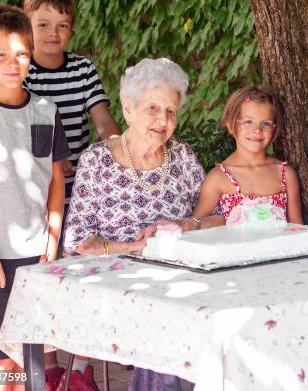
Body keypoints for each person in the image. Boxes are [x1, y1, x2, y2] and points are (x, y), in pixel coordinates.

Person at [62, 58, 208, 391]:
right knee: (167, 318)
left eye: (170, 111)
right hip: (115, 287)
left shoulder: (182, 158)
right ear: (127, 109)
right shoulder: (97, 160)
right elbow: (77, 241)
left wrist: (188, 223)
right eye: (153, 108)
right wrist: (138, 248)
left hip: (178, 281)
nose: (163, 119)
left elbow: (218, 215)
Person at [0, 6, 69, 390]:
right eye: (0, 54)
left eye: (21, 53)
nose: (12, 63)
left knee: (31, 360)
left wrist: (53, 238)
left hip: (37, 253)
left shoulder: (47, 111)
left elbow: (56, 180)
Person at [22, 0, 120, 389]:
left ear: (71, 30)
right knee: (43, 269)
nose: (52, 33)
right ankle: (48, 364)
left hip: (81, 188)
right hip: (35, 189)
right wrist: (45, 157)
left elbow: (102, 119)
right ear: (27, 27)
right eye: (43, 24)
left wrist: (119, 150)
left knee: (84, 271)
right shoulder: (21, 70)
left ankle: (81, 368)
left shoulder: (82, 69)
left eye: (61, 26)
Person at [186, 86, 303, 229]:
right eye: (248, 122)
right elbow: (194, 227)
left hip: (281, 251)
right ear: (230, 124)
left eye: (265, 124)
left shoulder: (285, 174)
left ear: (274, 128)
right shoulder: (218, 177)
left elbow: (297, 229)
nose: (257, 130)